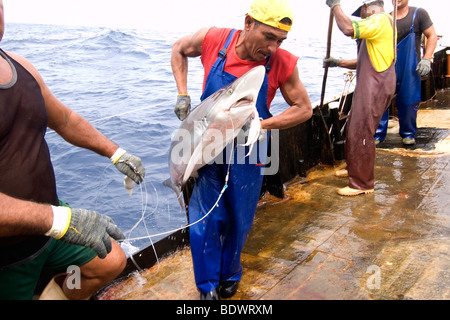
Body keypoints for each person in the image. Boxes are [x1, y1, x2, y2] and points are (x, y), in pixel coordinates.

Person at [0, 0, 145, 300]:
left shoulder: (21, 67)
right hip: (8, 255)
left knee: (110, 262)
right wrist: (62, 222)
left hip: (50, 225)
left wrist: (116, 153)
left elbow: (65, 119)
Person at [171, 0, 312, 299]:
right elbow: (179, 49)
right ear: (248, 23)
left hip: (252, 148)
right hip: (210, 144)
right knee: (205, 217)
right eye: (268, 37)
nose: (273, 47)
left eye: (280, 40)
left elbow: (304, 109)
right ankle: (206, 286)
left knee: (240, 217)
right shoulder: (214, 39)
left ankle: (231, 272)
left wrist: (266, 124)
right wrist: (182, 93)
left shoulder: (282, 62)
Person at [324, 0, 396, 196]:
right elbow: (363, 60)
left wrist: (335, 6)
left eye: (362, 15)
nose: (361, 19)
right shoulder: (382, 25)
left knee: (362, 131)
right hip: (370, 84)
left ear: (368, 8)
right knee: (355, 126)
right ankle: (354, 168)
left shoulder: (380, 20)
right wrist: (339, 62)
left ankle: (363, 184)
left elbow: (348, 28)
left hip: (376, 85)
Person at [374, 0, 437, 146]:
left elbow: (432, 36)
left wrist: (426, 58)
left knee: (408, 100)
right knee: (381, 99)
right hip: (387, 66)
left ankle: (408, 133)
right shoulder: (385, 18)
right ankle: (378, 134)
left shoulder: (418, 14)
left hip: (410, 67)